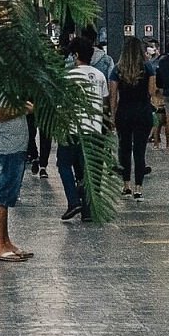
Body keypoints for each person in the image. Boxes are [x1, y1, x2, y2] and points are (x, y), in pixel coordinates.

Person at [0, 84, 33, 261]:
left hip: (12, 148)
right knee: (0, 196)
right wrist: (22, 108)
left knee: (6, 196)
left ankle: (5, 241)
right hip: (3, 148)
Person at [59, 38, 108, 222]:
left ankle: (73, 201)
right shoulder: (99, 76)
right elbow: (104, 103)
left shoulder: (69, 76)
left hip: (73, 130)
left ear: (76, 55)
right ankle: (88, 209)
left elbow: (62, 105)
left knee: (63, 165)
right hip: (94, 130)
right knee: (89, 170)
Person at [109, 36, 155, 199]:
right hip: (143, 112)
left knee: (124, 148)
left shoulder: (117, 69)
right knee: (140, 150)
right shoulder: (148, 68)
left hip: (124, 112)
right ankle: (138, 188)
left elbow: (113, 96)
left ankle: (126, 185)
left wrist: (112, 116)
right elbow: (151, 92)